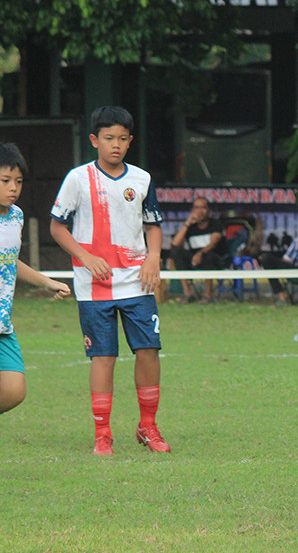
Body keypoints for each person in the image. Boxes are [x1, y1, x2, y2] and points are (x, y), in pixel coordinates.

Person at [49, 106, 170, 455]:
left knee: (149, 351)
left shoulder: (142, 179)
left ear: (130, 142)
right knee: (104, 357)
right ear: (94, 140)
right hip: (94, 286)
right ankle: (103, 434)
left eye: (121, 139)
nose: (115, 145)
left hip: (136, 282)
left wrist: (153, 257)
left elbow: (153, 224)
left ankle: (148, 426)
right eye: (108, 138)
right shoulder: (77, 178)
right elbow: (58, 226)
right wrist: (85, 257)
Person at [0, 143, 72, 414]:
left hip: (3, 322)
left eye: (18, 181)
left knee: (14, 391)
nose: (13, 188)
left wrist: (47, 282)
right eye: (5, 181)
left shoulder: (15, 217)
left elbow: (9, 262)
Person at [170, 196, 226, 303]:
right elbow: (175, 243)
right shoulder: (191, 226)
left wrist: (201, 253)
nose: (200, 211)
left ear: (208, 210)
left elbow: (213, 243)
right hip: (194, 258)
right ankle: (188, 293)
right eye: (197, 208)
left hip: (214, 258)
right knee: (177, 253)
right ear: (192, 210)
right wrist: (187, 223)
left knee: (209, 256)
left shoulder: (215, 223)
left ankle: (208, 294)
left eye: (203, 208)